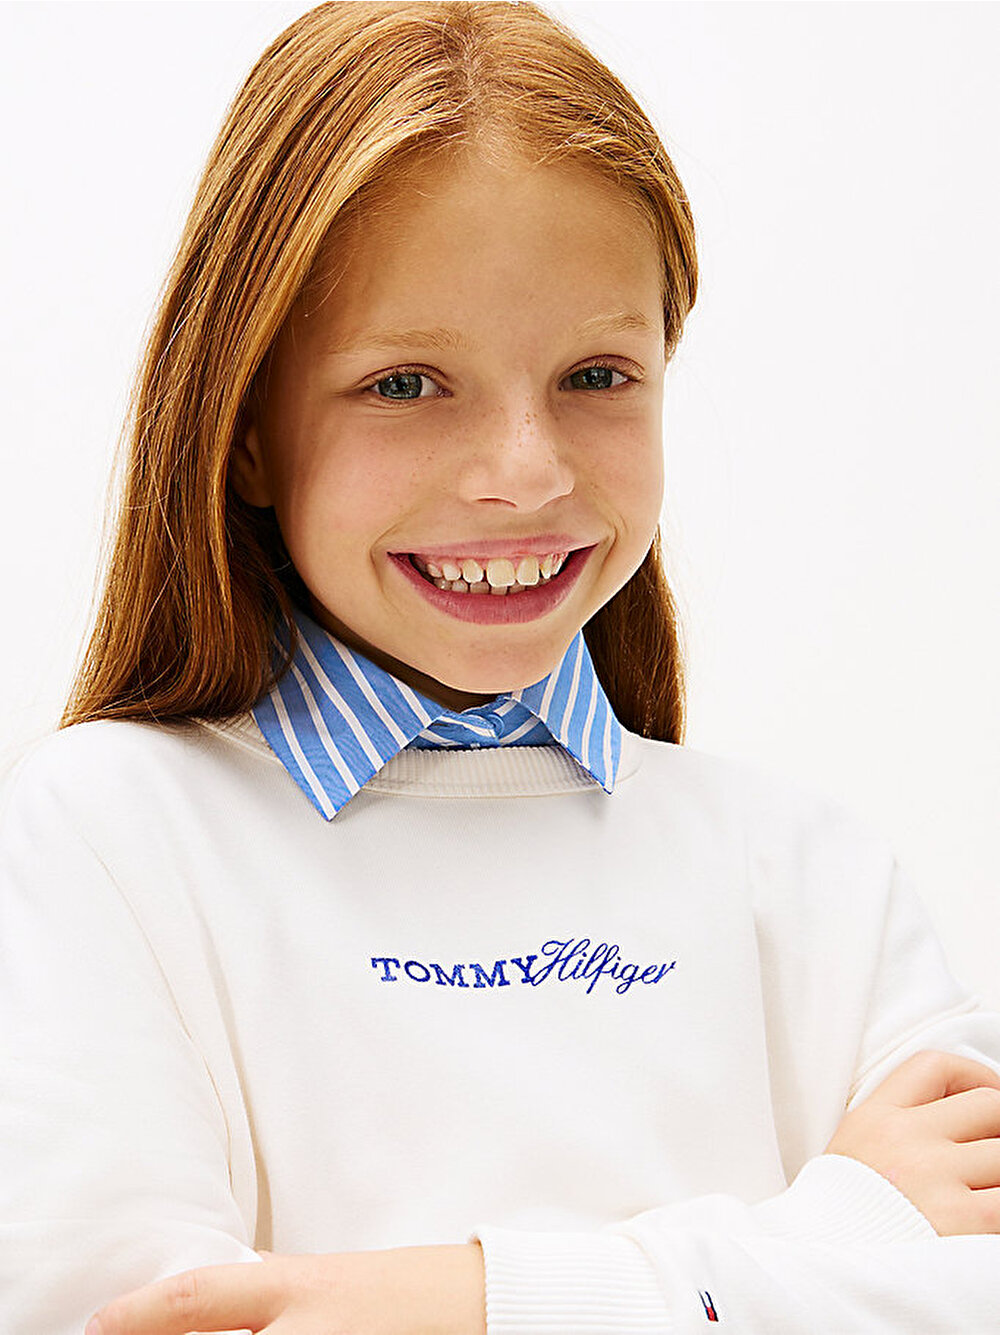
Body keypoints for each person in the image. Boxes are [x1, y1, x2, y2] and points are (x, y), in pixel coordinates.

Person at [1, 2, 999, 1332]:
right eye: (406, 384)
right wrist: (829, 1244)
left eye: (597, 374)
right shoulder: (104, 836)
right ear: (243, 432)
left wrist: (434, 1300)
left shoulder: (813, 877)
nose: (525, 473)